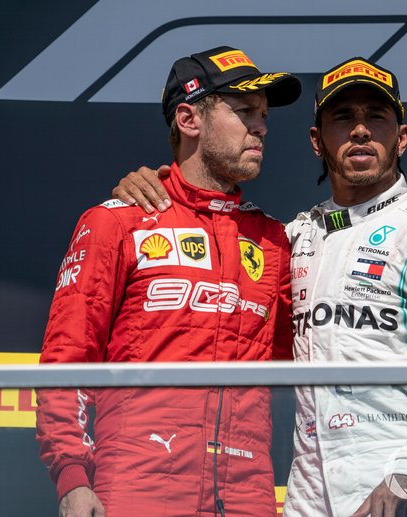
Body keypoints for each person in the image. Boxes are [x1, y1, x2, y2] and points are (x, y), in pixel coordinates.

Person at [112, 57, 407, 517]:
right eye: (342, 118)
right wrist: (156, 187)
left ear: (402, 137)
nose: (360, 130)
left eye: (376, 117)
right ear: (317, 141)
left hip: (405, 490)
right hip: (307, 496)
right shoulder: (290, 239)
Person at [36, 46, 301, 517]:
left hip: (247, 495)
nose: (260, 127)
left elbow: (304, 363)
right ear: (188, 119)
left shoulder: (275, 241)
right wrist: (73, 478)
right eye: (243, 111)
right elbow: (67, 362)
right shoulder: (117, 223)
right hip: (140, 486)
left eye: (262, 115)